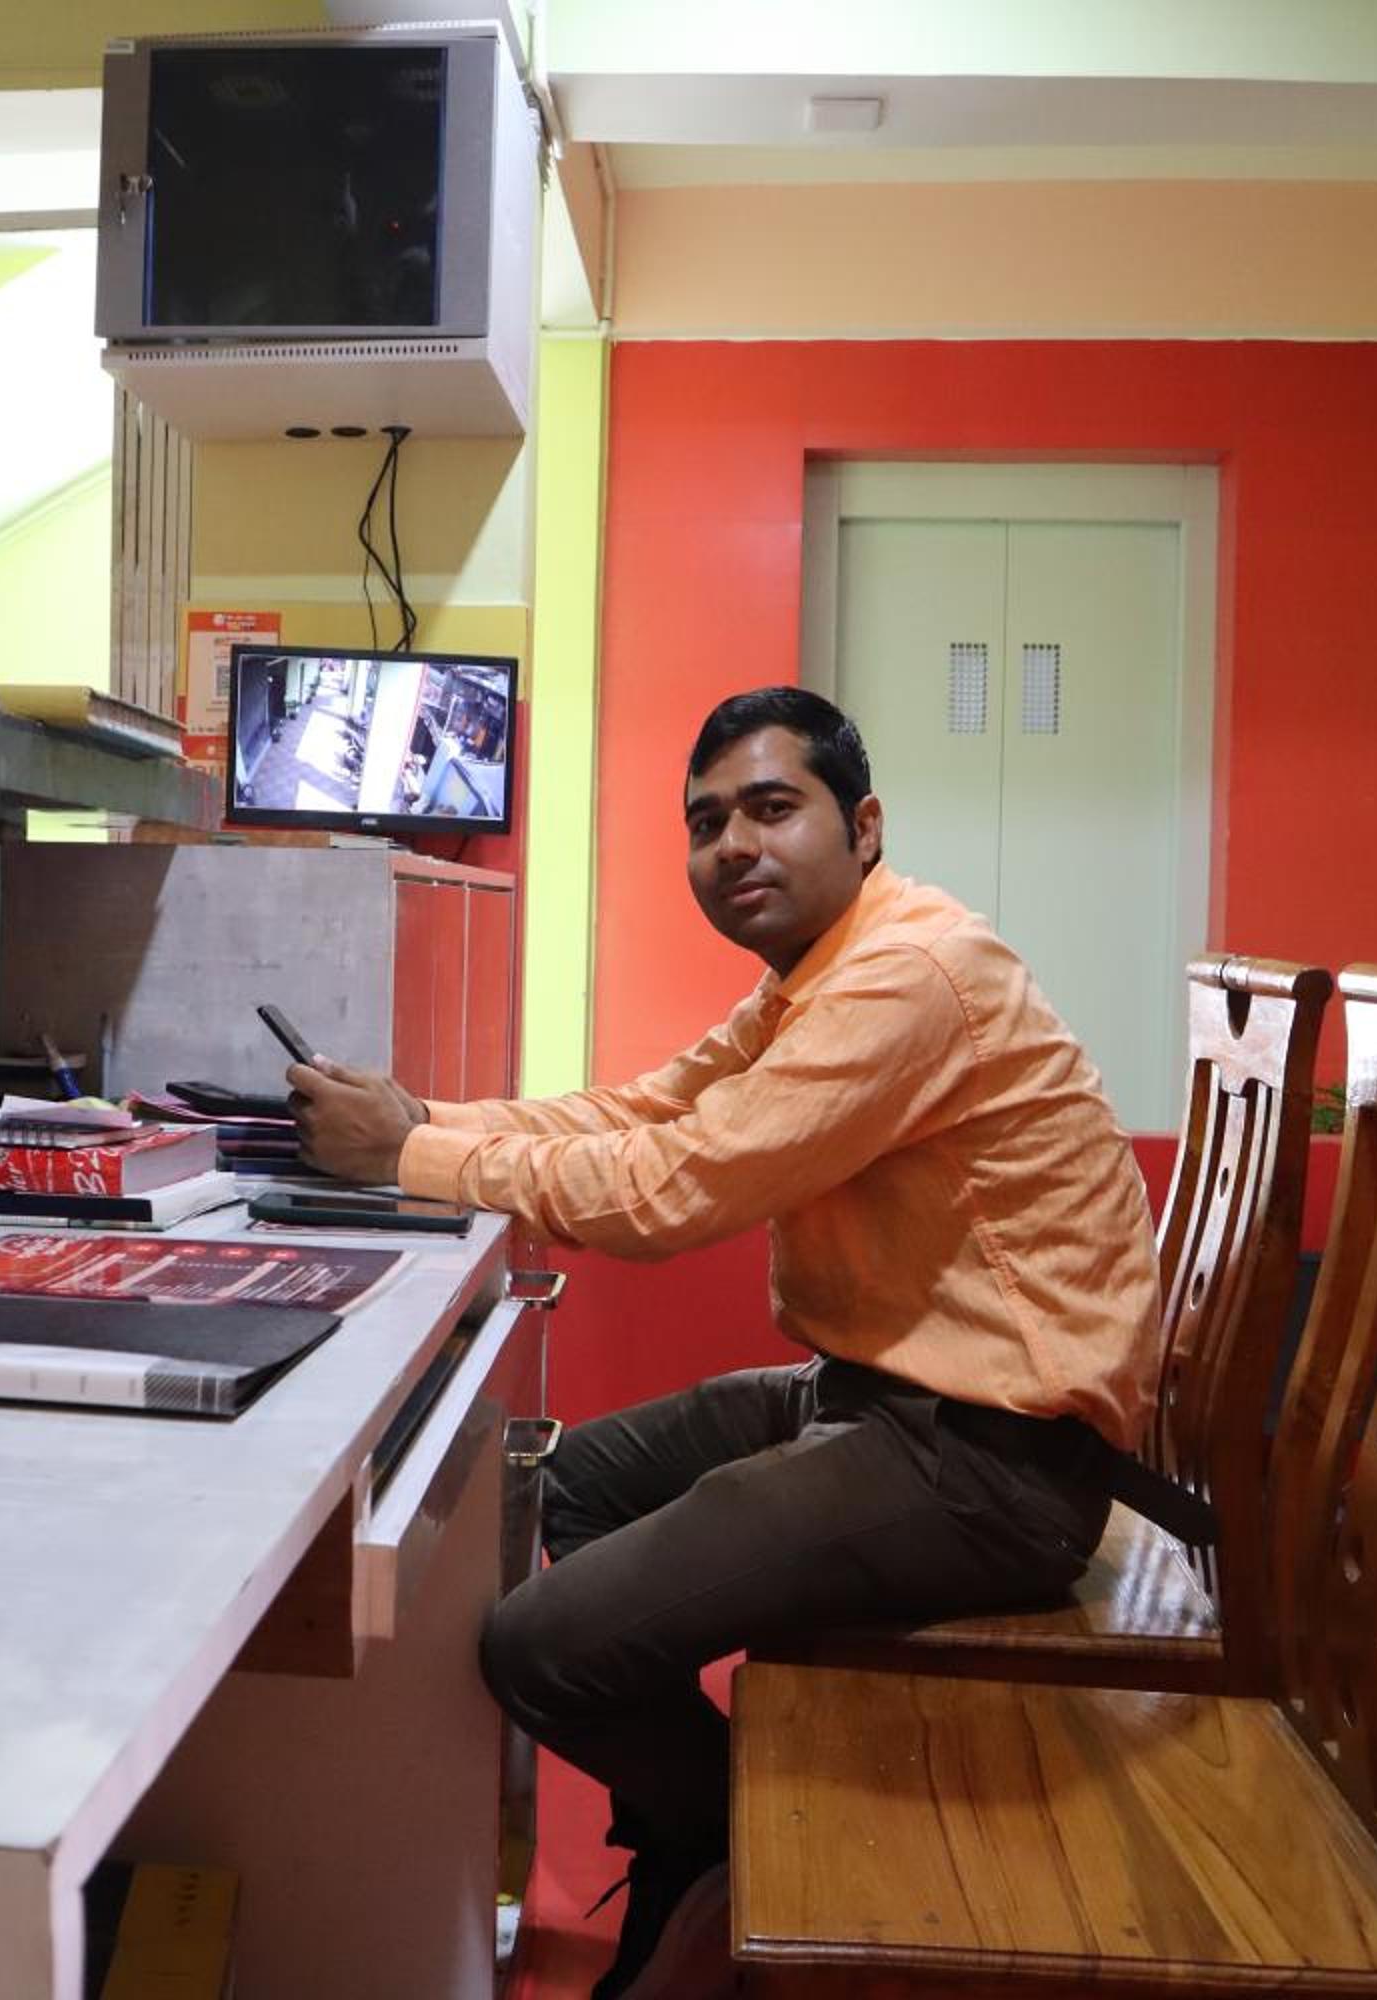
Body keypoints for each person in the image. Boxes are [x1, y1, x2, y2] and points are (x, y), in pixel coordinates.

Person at [285, 687, 1159, 2000]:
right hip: (886, 1399)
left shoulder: (907, 977)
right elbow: (651, 1109)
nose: (734, 845)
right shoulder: (821, 975)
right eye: (706, 824)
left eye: (771, 807)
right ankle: (704, 1836)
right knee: (553, 1485)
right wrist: (427, 1116)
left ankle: (729, 1852)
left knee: (538, 1647)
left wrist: (406, 1157)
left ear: (863, 826)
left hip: (994, 1466)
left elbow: (674, 1189)